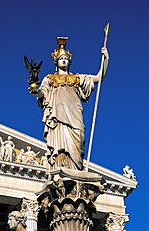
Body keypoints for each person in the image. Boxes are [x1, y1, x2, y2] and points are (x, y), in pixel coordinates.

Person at [31, 37, 109, 170]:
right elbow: (43, 94)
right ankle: (60, 167)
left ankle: (76, 167)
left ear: (69, 62)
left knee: (78, 139)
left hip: (74, 113)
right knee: (59, 144)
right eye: (61, 59)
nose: (63, 61)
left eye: (66, 59)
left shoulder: (77, 78)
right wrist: (35, 90)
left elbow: (99, 77)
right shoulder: (49, 79)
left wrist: (106, 59)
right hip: (57, 116)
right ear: (56, 62)